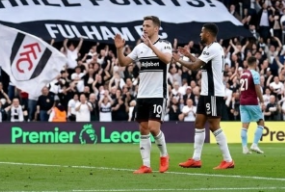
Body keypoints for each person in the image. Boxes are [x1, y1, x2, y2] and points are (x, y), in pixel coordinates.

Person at [113, 16, 173, 174]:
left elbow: (167, 59)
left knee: (154, 128)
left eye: (147, 25)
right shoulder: (139, 48)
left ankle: (164, 156)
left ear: (156, 28)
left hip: (158, 94)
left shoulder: (165, 45)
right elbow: (123, 63)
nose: (144, 28)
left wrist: (151, 46)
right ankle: (146, 165)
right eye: (143, 26)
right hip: (142, 94)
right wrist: (119, 49)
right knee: (143, 129)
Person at [175, 23, 235, 169]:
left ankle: (228, 160)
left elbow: (195, 67)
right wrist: (189, 56)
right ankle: (196, 159)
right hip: (206, 93)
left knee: (214, 126)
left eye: (202, 32)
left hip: (213, 93)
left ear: (208, 34)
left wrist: (179, 60)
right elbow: (201, 63)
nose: (200, 35)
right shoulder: (209, 48)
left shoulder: (214, 48)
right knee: (199, 123)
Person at [238, 56, 266, 155]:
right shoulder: (254, 74)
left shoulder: (243, 74)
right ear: (255, 63)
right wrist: (262, 101)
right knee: (261, 123)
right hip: (252, 101)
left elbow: (240, 89)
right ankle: (254, 144)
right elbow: (257, 88)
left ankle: (244, 148)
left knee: (244, 126)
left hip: (242, 102)